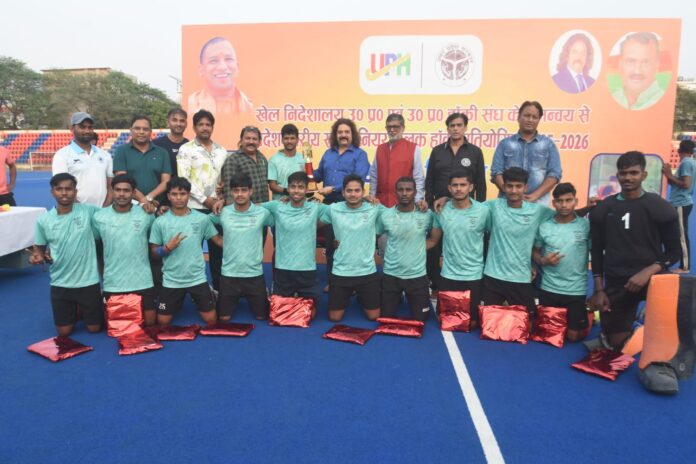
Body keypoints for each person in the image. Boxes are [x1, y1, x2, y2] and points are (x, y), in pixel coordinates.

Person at [589, 151, 681, 350]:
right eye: (623, 173)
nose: (628, 178)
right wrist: (599, 290)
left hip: (652, 279)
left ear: (643, 175)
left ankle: (651, 317)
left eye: (633, 173)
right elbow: (596, 251)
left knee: (673, 329)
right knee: (616, 344)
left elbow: (675, 252)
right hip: (618, 281)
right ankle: (636, 328)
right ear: (617, 175)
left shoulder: (661, 207)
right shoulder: (603, 209)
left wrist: (648, 272)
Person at [29, 173, 102, 336]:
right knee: (64, 332)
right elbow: (39, 248)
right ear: (52, 192)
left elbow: (113, 212)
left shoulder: (88, 211)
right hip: (60, 282)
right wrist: (38, 256)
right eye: (59, 189)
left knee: (94, 329)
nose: (64, 193)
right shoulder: (43, 220)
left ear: (75, 192)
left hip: (88, 281)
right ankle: (77, 309)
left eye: (68, 189)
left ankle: (94, 302)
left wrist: (145, 203)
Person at [425, 112, 486, 296]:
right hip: (440, 209)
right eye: (452, 125)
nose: (456, 129)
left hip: (466, 210)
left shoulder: (475, 152)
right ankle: (437, 286)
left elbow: (480, 182)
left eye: (459, 125)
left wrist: (479, 209)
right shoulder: (437, 151)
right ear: (448, 128)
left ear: (465, 127)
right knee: (436, 248)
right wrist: (430, 205)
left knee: (464, 247)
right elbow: (430, 180)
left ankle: (469, 288)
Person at [149, 177, 222, 326]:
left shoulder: (202, 219)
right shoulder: (160, 222)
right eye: (174, 194)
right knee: (162, 323)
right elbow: (154, 253)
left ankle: (209, 294)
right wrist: (167, 248)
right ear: (168, 196)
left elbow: (219, 241)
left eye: (182, 194)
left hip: (197, 278)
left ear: (189, 195)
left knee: (211, 321)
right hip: (171, 280)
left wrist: (242, 239)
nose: (178, 198)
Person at [482, 167, 555, 315]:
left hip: (521, 277)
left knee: (527, 323)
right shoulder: (493, 206)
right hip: (493, 276)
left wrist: (590, 207)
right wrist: (447, 199)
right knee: (490, 323)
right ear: (504, 187)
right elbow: (466, 207)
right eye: (510, 186)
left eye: (518, 186)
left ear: (525, 187)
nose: (514, 190)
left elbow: (564, 215)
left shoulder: (538, 211)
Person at [427, 169, 489, 328]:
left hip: (473, 274)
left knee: (472, 323)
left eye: (463, 185)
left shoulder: (484, 210)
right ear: (449, 188)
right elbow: (433, 240)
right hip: (448, 273)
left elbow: (496, 237)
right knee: (444, 320)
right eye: (455, 185)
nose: (459, 189)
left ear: (471, 187)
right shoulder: (441, 210)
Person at [93, 175, 157, 326]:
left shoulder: (147, 215)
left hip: (143, 280)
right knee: (109, 326)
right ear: (112, 191)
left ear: (133, 192)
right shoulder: (99, 217)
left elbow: (154, 243)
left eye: (126, 190)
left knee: (150, 323)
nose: (121, 194)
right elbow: (97, 249)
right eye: (118, 190)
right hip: (113, 282)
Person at [210, 172, 273, 321]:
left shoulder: (262, 213)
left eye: (244, 190)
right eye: (236, 190)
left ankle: (262, 292)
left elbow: (281, 220)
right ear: (231, 192)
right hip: (229, 275)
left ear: (250, 191)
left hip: (254, 274)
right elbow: (203, 222)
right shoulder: (223, 212)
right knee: (223, 319)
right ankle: (216, 295)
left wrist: (286, 201)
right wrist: (217, 239)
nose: (240, 194)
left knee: (262, 317)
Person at [176, 109, 228, 290]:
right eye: (201, 124)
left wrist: (221, 196)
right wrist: (205, 199)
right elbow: (184, 179)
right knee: (192, 251)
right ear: (194, 127)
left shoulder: (222, 151)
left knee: (218, 252)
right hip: (194, 208)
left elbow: (224, 178)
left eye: (208, 124)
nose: (205, 128)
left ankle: (219, 290)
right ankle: (193, 291)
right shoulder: (186, 149)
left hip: (217, 208)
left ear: (212, 127)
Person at [533, 183, 591, 341]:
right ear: (553, 203)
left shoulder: (586, 226)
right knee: (550, 335)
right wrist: (542, 260)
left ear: (575, 201)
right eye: (559, 201)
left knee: (573, 337)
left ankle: (589, 316)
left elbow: (597, 251)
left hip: (576, 289)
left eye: (568, 200)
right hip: (549, 287)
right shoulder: (545, 227)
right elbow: (534, 252)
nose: (564, 205)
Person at [260, 172, 326, 312]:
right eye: (293, 187)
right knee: (279, 313)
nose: (296, 191)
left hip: (307, 269)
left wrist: (364, 199)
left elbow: (343, 208)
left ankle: (297, 300)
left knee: (310, 314)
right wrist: (223, 201)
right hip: (283, 269)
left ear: (306, 189)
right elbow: (250, 207)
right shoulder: (277, 206)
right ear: (288, 188)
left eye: (300, 187)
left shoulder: (315, 207)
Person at [314, 118, 370, 283]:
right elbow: (318, 175)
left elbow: (358, 180)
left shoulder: (360, 154)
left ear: (352, 134)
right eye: (340, 132)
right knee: (331, 244)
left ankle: (355, 280)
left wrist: (333, 188)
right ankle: (333, 281)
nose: (343, 135)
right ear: (335, 135)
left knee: (348, 244)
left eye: (347, 132)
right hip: (329, 205)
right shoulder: (328, 153)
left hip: (350, 205)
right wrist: (306, 170)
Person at [320, 174, 382, 322]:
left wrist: (420, 205)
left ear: (363, 192)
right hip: (341, 271)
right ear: (343, 192)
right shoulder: (333, 209)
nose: (353, 194)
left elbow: (397, 212)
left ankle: (362, 296)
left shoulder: (374, 208)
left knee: (374, 316)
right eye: (349, 190)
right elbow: (311, 220)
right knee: (334, 318)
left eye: (357, 190)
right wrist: (288, 201)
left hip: (366, 271)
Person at [380, 176, 433, 321]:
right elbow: (374, 234)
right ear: (395, 192)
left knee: (421, 319)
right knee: (385, 317)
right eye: (400, 190)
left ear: (415, 192)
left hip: (417, 275)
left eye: (408, 190)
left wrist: (417, 247)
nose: (404, 193)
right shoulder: (385, 215)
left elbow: (434, 239)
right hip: (391, 274)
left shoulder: (427, 214)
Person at [491, 101, 562, 205]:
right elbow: (496, 172)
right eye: (527, 116)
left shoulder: (548, 145)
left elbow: (555, 174)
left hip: (538, 204)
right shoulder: (505, 144)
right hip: (507, 203)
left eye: (534, 117)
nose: (530, 120)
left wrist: (534, 196)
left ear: (539, 120)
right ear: (518, 117)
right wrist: (511, 193)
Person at [52, 112, 113, 207]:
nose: (87, 131)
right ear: (72, 128)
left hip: (101, 211)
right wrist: (81, 210)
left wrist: (105, 208)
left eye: (90, 127)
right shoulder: (62, 155)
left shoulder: (105, 155)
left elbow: (111, 186)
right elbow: (62, 188)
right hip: (75, 211)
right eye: (82, 127)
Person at [113, 115, 172, 208]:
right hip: (129, 206)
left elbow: (166, 181)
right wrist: (142, 200)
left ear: (150, 131)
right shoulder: (121, 151)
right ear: (131, 130)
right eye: (137, 128)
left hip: (156, 205)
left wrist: (149, 197)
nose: (141, 132)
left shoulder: (162, 152)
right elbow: (122, 180)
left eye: (145, 129)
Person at [369, 113, 426, 207]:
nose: (392, 130)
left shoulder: (413, 148)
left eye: (395, 127)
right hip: (381, 203)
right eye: (389, 127)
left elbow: (418, 177)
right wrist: (372, 196)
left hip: (405, 204)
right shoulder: (380, 149)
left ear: (403, 128)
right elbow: (374, 176)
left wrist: (418, 199)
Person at [187, 36, 253, 116]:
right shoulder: (190, 106)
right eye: (214, 61)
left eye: (228, 59)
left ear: (237, 67)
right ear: (201, 70)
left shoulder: (250, 108)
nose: (222, 67)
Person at [662, 139, 696, 273]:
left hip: (681, 202)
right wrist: (669, 176)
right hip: (680, 202)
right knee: (679, 234)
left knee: (682, 235)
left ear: (679, 151)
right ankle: (679, 263)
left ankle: (685, 267)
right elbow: (678, 182)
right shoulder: (690, 162)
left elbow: (686, 184)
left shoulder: (686, 163)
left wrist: (669, 175)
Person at [611, 32, 665, 111]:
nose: (637, 71)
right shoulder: (612, 98)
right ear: (620, 64)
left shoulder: (663, 102)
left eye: (645, 62)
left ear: (657, 65)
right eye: (630, 61)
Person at [220, 125, 269, 206]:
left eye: (254, 139)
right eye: (247, 138)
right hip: (244, 210)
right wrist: (232, 210)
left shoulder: (262, 157)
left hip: (263, 208)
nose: (251, 142)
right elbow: (228, 190)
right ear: (241, 140)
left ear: (259, 142)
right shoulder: (233, 160)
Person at [267, 124, 306, 200]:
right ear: (282, 140)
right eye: (286, 138)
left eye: (292, 138)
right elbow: (272, 186)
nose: (289, 141)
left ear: (297, 140)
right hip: (280, 203)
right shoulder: (274, 159)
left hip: (300, 203)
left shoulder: (303, 158)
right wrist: (288, 191)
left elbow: (307, 181)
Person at [153, 108, 189, 177]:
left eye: (182, 121)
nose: (178, 124)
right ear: (168, 123)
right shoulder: (156, 144)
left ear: (186, 124)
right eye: (174, 120)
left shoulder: (190, 147)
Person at [0, 141, 17, 206]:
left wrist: (12, 184)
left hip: (3, 194)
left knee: (15, 212)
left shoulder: (3, 150)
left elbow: (12, 166)